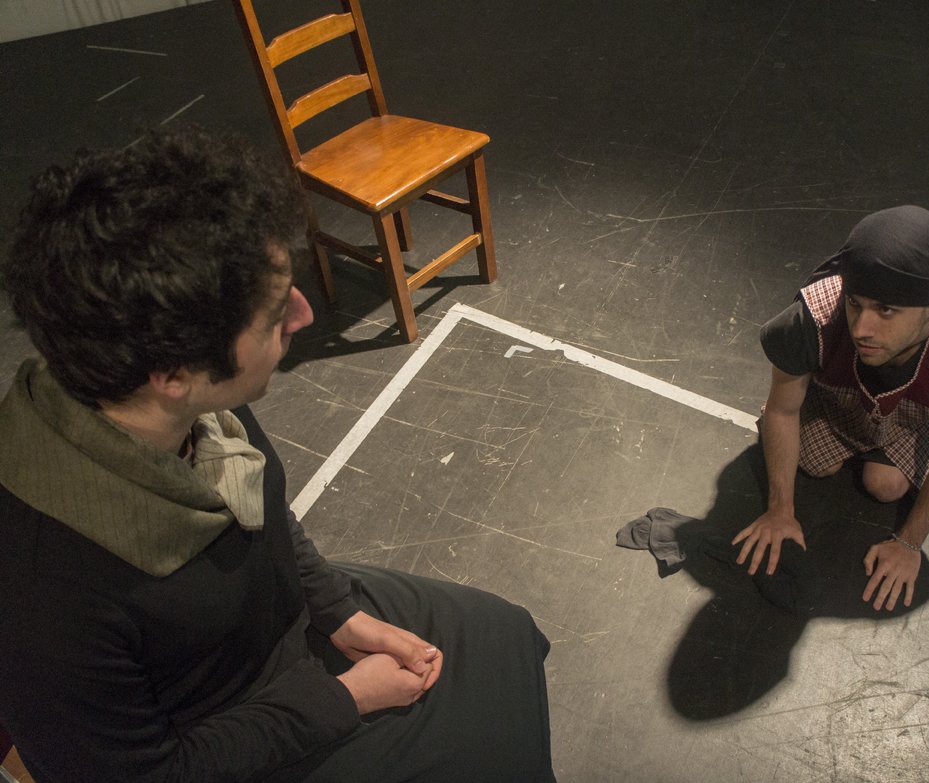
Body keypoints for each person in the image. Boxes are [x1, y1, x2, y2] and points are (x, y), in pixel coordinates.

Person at [0, 128, 555, 783]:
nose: (302, 315)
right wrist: (343, 698)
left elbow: (262, 510)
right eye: (271, 317)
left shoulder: (169, 388)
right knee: (492, 749)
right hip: (226, 730)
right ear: (173, 373)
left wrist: (339, 610)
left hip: (276, 621)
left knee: (502, 634)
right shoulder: (44, 594)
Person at [733, 206, 929, 612]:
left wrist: (909, 543)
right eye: (855, 304)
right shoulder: (808, 320)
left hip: (915, 411)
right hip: (838, 399)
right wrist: (780, 510)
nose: (861, 329)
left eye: (886, 310)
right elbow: (781, 412)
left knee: (886, 486)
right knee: (813, 464)